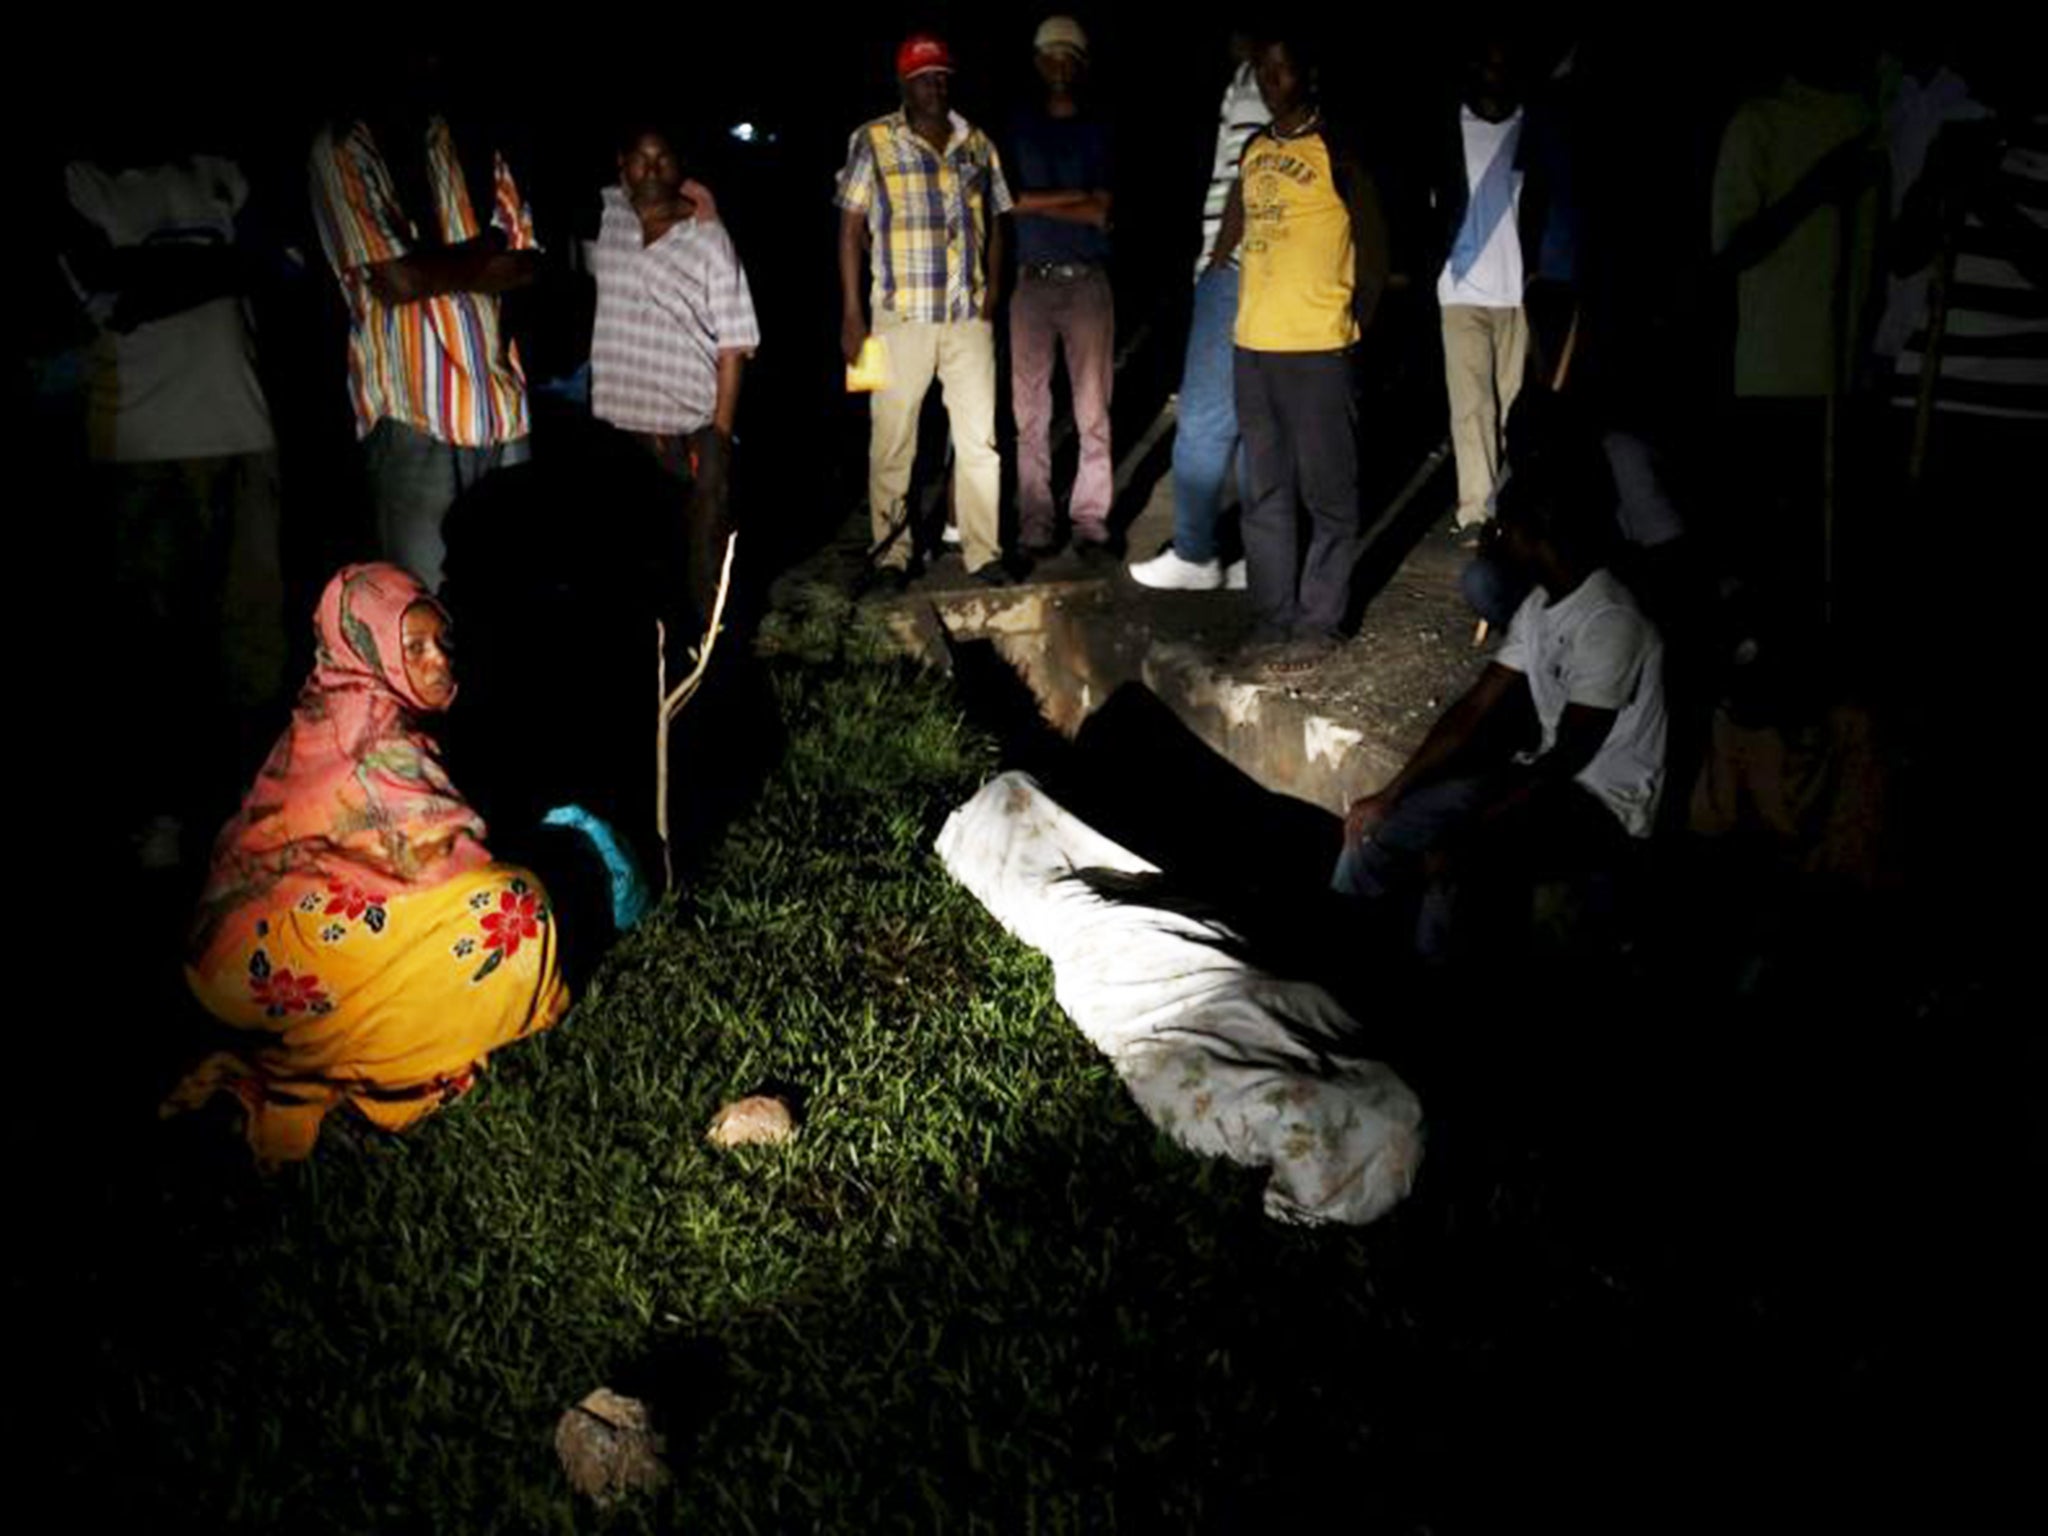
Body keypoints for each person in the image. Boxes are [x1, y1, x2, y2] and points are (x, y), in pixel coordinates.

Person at [168, 564, 570, 1163]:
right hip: (262, 957)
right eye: (412, 648)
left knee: (457, 933)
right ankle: (324, 1094)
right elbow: (454, 862)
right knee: (512, 916)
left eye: (441, 642)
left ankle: (293, 1081)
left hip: (241, 948)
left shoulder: (334, 702)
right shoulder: (374, 739)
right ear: (371, 650)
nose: (438, 661)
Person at [1333, 456, 1668, 962]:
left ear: (1535, 538)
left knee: (1457, 866)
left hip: (1605, 805)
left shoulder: (1608, 622)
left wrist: (1471, 830)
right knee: (1376, 827)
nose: (1492, 538)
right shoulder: (1541, 605)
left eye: (1502, 527)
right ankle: (1340, 945)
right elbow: (1471, 711)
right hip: (1543, 781)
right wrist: (1389, 793)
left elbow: (1567, 762)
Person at [63, 128, 287, 870]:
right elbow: (109, 294)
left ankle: (252, 810)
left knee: (251, 636)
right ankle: (162, 819)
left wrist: (174, 271)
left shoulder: (219, 168)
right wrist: (222, 264)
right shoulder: (84, 180)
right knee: (155, 644)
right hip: (141, 445)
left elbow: (274, 265)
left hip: (242, 429)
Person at [309, 54, 542, 590]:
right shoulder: (344, 146)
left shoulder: (466, 140)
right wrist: (486, 251)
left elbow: (527, 265)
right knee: (425, 609)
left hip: (502, 408)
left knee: (509, 595)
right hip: (414, 411)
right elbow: (397, 281)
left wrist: (437, 264)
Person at [1209, 30, 1389, 673]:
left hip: (1317, 349)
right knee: (1265, 492)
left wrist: (1355, 327)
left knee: (1329, 496)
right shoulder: (1258, 149)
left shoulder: (1337, 145)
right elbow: (1242, 209)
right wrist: (1217, 259)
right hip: (1253, 348)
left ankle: (1319, 622)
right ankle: (1272, 615)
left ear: (1308, 74)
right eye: (1262, 69)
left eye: (1282, 69)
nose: (1270, 80)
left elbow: (1374, 249)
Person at [836, 32, 1017, 590]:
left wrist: (991, 296)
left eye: (940, 75)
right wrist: (852, 315)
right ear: (903, 84)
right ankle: (892, 555)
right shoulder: (873, 140)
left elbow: (999, 220)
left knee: (979, 442)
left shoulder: (978, 144)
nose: (933, 86)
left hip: (967, 317)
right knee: (893, 441)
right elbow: (849, 230)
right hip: (898, 317)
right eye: (922, 77)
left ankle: (984, 555)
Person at [590, 121, 760, 624]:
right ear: (622, 165)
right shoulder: (607, 216)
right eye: (640, 158)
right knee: (630, 568)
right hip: (619, 428)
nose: (651, 170)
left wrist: (719, 442)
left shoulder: (707, 236)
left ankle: (706, 666)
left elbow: (734, 346)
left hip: (687, 431)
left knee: (700, 568)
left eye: (662, 158)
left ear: (679, 167)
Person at [1129, 28, 1269, 590]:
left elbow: (1253, 171)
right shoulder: (1254, 77)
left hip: (1238, 268)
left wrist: (1218, 259)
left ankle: (1195, 553)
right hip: (1262, 271)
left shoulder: (1263, 77)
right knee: (1254, 422)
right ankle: (1262, 558)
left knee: (1207, 416)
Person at [1007, 15, 1116, 557]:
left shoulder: (1097, 128)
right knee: (1030, 413)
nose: (1058, 66)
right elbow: (1008, 201)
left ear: (1081, 65)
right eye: (1050, 55)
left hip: (1086, 283)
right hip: (1031, 283)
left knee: (1092, 408)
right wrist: (1075, 202)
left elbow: (1105, 207)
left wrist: (1037, 200)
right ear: (1036, 62)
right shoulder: (1019, 126)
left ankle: (1091, 521)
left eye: (1068, 57)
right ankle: (1035, 522)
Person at [1430, 36, 1544, 543]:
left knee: (1517, 409)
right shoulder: (1448, 128)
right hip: (1460, 287)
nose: (1495, 78)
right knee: (1472, 405)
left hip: (1518, 290)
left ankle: (1515, 509)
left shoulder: (1533, 130)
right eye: (1487, 66)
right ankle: (1476, 512)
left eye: (1505, 67)